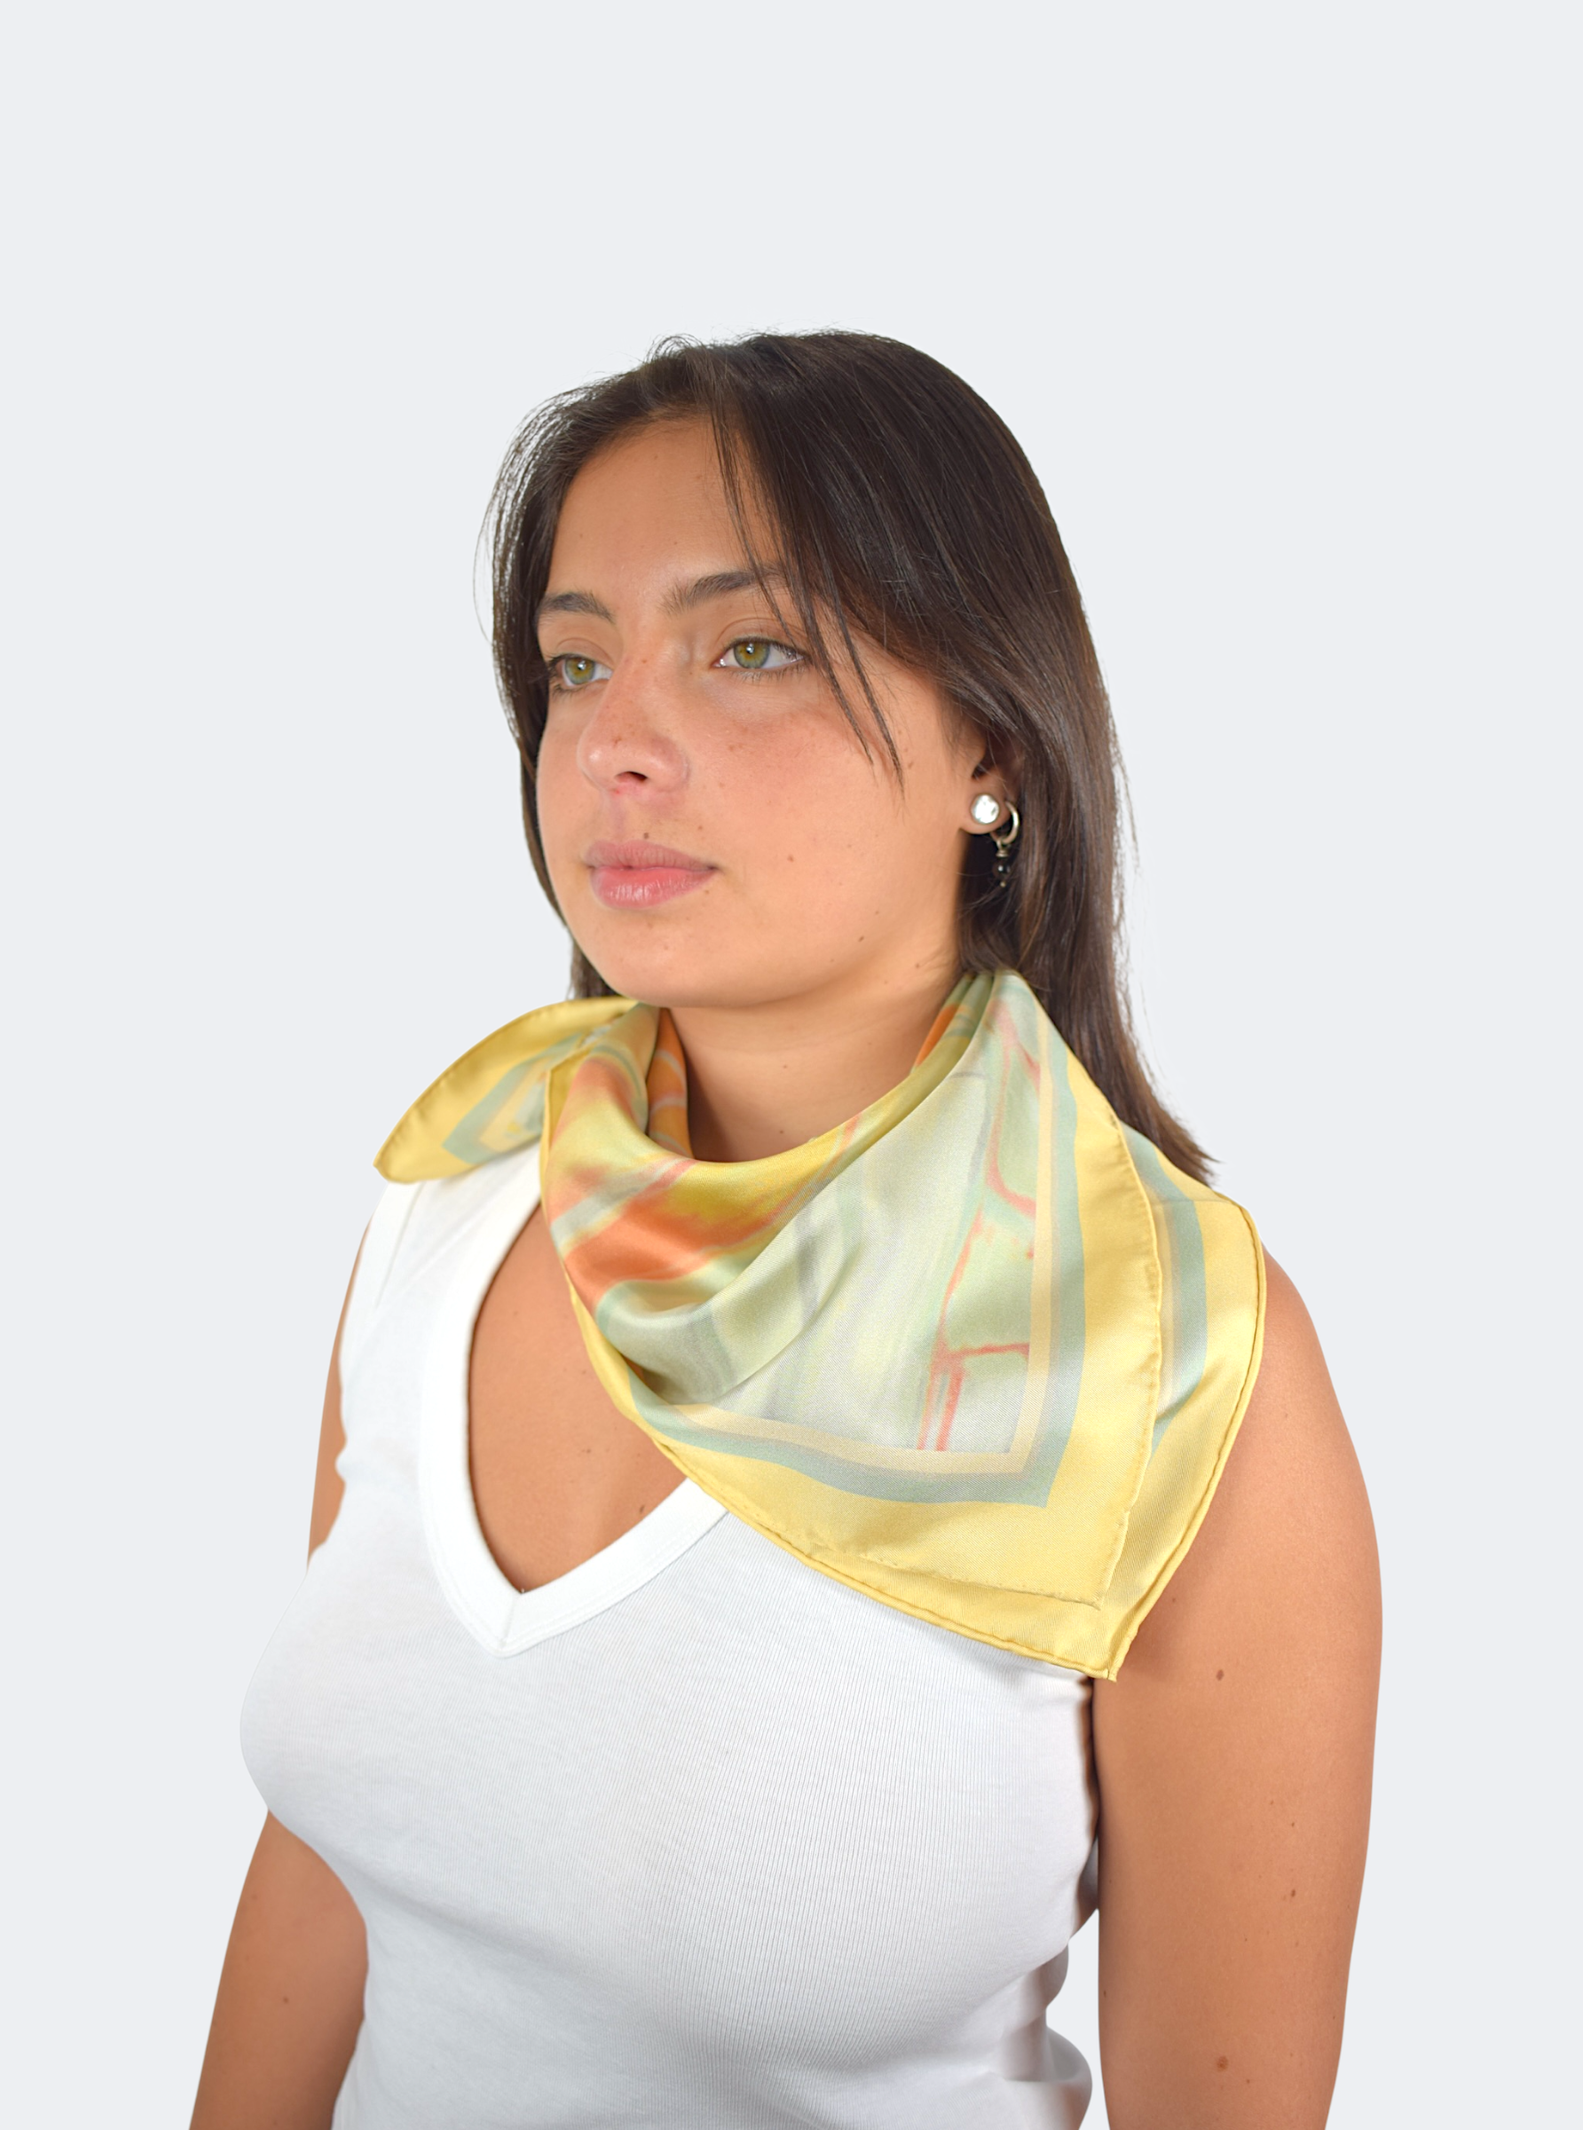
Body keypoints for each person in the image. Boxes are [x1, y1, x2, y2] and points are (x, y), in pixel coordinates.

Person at [192, 332, 1381, 2129]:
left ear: (991, 744)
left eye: (750, 648)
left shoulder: (1176, 1362)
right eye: (575, 662)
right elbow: (340, 1852)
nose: (615, 744)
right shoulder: (455, 1198)